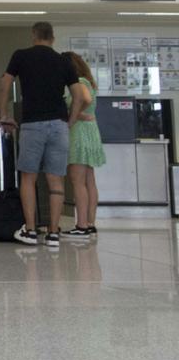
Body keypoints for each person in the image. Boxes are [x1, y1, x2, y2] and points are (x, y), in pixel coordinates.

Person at [0, 22, 87, 249]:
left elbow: (5, 82)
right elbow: (78, 95)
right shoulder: (63, 61)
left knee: (29, 177)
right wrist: (71, 120)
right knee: (55, 179)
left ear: (33, 35)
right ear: (53, 38)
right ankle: (54, 233)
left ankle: (29, 230)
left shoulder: (21, 56)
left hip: (33, 124)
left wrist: (4, 113)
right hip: (59, 125)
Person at [61, 51, 105, 238]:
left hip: (79, 133)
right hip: (91, 131)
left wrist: (73, 115)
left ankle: (81, 224)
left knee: (77, 181)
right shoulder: (89, 81)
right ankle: (90, 223)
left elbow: (84, 99)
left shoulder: (79, 82)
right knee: (89, 181)